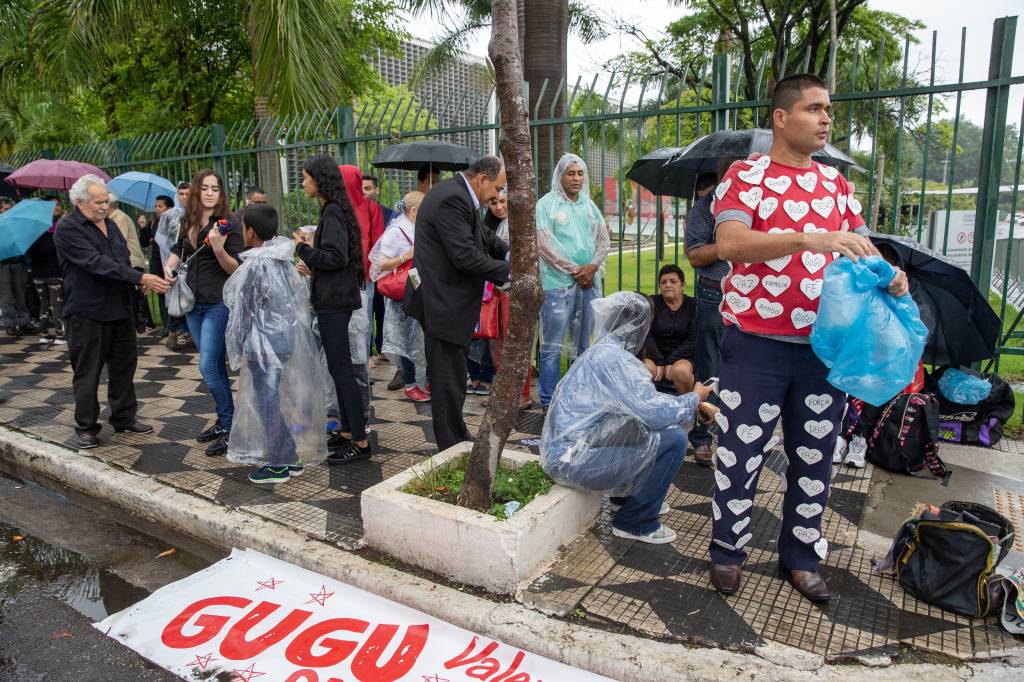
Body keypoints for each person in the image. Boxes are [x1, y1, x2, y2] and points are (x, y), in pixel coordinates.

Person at [708, 74, 908, 602]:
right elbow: (728, 242)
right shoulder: (745, 176)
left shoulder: (836, 186)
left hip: (823, 351)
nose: (826, 119)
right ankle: (728, 551)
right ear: (781, 116)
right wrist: (807, 236)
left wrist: (889, 272)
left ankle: (801, 557)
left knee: (815, 458)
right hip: (755, 345)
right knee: (738, 452)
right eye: (814, 109)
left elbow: (861, 245)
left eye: (829, 111)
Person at [541, 292, 712, 543]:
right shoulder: (615, 359)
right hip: (571, 459)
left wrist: (686, 404)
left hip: (571, 450)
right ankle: (636, 521)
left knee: (641, 427)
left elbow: (643, 407)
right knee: (674, 438)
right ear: (639, 325)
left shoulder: (606, 350)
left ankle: (625, 499)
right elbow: (653, 412)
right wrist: (693, 398)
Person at [53, 174, 170, 449]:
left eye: (107, 201)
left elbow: (121, 259)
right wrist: (138, 278)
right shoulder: (68, 229)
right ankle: (86, 427)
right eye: (98, 202)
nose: (104, 206)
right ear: (79, 202)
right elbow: (95, 263)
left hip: (119, 308)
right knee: (88, 372)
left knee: (124, 367)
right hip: (87, 311)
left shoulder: (111, 224)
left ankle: (124, 416)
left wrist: (136, 280)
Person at [405, 155, 509, 451]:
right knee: (447, 379)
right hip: (442, 303)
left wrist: (507, 252)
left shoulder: (459, 194)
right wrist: (507, 271)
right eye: (497, 188)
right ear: (482, 179)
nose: (497, 196)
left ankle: (456, 435)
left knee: (451, 376)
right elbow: (464, 255)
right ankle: (450, 446)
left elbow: (482, 236)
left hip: (446, 302)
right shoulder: (452, 198)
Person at [223, 203, 327, 484]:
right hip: (283, 340)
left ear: (251, 231)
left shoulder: (257, 264)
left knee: (267, 402)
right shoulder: (281, 258)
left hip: (263, 346)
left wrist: (235, 346)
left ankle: (279, 463)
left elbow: (244, 309)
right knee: (274, 400)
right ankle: (289, 455)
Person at [294, 155, 372, 464]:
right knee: (338, 371)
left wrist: (302, 247)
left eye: (305, 178)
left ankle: (361, 442)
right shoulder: (333, 210)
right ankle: (347, 432)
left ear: (319, 180)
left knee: (343, 372)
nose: (303, 184)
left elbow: (334, 258)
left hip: (335, 304)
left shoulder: (333, 213)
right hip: (333, 300)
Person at [163, 170, 243, 457]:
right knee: (213, 366)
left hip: (218, 303)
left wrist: (219, 250)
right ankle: (224, 421)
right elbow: (177, 249)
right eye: (205, 188)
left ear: (221, 194)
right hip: (192, 304)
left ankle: (232, 426)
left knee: (208, 366)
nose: (210, 193)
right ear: (196, 191)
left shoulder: (227, 224)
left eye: (215, 188)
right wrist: (169, 267)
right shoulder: (189, 220)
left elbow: (237, 268)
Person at [536, 153, 610, 410]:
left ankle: (578, 397)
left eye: (580, 173)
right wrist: (577, 270)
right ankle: (549, 401)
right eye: (571, 173)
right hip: (557, 286)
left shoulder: (589, 206)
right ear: (560, 176)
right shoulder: (546, 206)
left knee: (585, 344)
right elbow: (544, 245)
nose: (577, 178)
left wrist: (592, 268)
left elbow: (603, 240)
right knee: (552, 346)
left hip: (588, 284)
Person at [685, 166, 735, 466]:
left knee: (744, 372)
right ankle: (703, 439)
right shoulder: (704, 209)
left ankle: (735, 438)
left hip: (751, 299)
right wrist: (729, 245)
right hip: (714, 294)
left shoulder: (756, 203)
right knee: (709, 369)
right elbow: (695, 256)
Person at [368, 191, 430, 402]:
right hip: (402, 292)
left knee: (422, 336)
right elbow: (379, 263)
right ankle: (411, 384)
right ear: (414, 210)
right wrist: (406, 255)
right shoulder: (396, 230)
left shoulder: (416, 226)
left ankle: (427, 381)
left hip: (418, 287)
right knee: (406, 338)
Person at [483, 190, 533, 409]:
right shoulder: (488, 227)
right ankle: (502, 393)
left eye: (503, 201)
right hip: (495, 291)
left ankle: (523, 394)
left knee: (517, 342)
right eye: (493, 202)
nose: (499, 206)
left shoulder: (520, 224)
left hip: (515, 292)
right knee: (498, 343)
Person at [642, 264, 697, 395]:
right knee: (644, 369)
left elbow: (693, 338)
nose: (668, 285)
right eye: (663, 282)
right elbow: (645, 334)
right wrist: (659, 361)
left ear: (683, 285)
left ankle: (688, 411)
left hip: (683, 357)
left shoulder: (693, 305)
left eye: (673, 281)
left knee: (681, 372)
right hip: (653, 356)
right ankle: (646, 410)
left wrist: (671, 361)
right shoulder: (652, 302)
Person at [363, 173, 394, 365]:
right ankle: (366, 351)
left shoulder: (389, 214)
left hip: (385, 270)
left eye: (368, 188)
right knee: (365, 313)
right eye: (361, 188)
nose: (364, 192)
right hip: (364, 272)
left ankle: (383, 347)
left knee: (382, 310)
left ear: (377, 190)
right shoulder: (355, 212)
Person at [156, 182, 190, 348]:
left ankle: (187, 331)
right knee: (174, 295)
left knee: (189, 295)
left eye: (187, 194)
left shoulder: (196, 214)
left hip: (191, 262)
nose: (184, 197)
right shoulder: (168, 215)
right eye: (181, 194)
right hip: (173, 261)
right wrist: (171, 257)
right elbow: (160, 238)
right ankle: (172, 331)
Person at [27, 198, 66, 344]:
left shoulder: (34, 229)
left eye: (58, 204)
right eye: (54, 205)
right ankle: (59, 334)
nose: (57, 207)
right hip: (53, 272)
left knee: (44, 302)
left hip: (39, 273)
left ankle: (44, 333)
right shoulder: (57, 227)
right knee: (56, 302)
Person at [138, 194, 175, 335]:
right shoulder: (153, 223)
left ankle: (175, 326)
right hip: (156, 260)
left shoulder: (173, 221)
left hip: (169, 260)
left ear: (169, 208)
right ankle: (166, 325)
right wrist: (142, 228)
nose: (157, 209)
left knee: (171, 291)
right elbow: (144, 242)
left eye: (161, 206)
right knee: (160, 291)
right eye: (156, 206)